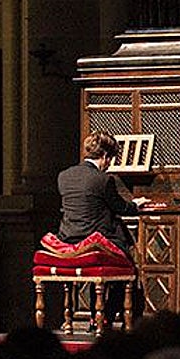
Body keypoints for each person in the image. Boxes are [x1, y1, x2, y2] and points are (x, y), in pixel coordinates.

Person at [57, 130, 150, 327]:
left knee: (102, 274)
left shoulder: (64, 176)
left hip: (69, 238)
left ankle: (93, 316)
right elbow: (121, 207)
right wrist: (137, 204)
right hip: (96, 241)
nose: (109, 164)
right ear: (105, 156)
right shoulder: (103, 180)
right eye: (110, 159)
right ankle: (106, 316)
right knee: (128, 270)